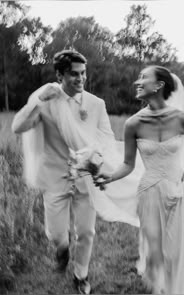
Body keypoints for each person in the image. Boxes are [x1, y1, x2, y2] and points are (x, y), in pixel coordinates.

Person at [97, 65, 184, 294]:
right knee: (156, 253)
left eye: (143, 78)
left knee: (178, 249)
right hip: (149, 193)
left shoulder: (183, 119)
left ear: (159, 85)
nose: (137, 82)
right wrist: (109, 177)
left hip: (178, 191)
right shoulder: (133, 123)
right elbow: (128, 165)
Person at [11, 50, 117, 294]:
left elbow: (106, 140)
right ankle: (61, 249)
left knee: (87, 232)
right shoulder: (45, 100)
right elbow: (18, 126)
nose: (81, 79)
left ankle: (81, 275)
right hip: (54, 177)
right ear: (59, 75)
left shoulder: (96, 104)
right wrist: (38, 101)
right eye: (74, 74)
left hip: (85, 178)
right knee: (57, 234)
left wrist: (96, 160)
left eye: (83, 73)